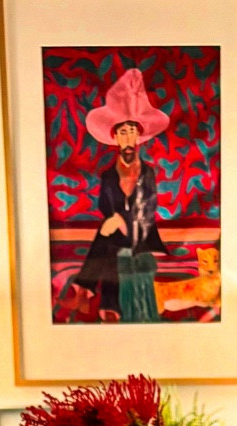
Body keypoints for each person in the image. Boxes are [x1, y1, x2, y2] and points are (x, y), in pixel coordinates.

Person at [72, 68, 169, 322]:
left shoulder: (148, 173)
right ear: (115, 138)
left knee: (108, 239)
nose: (128, 139)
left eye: (132, 132)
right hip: (117, 231)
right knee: (110, 238)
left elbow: (148, 209)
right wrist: (112, 218)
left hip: (142, 233)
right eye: (123, 133)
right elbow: (104, 204)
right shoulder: (107, 174)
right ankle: (105, 301)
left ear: (139, 136)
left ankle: (87, 288)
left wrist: (122, 222)